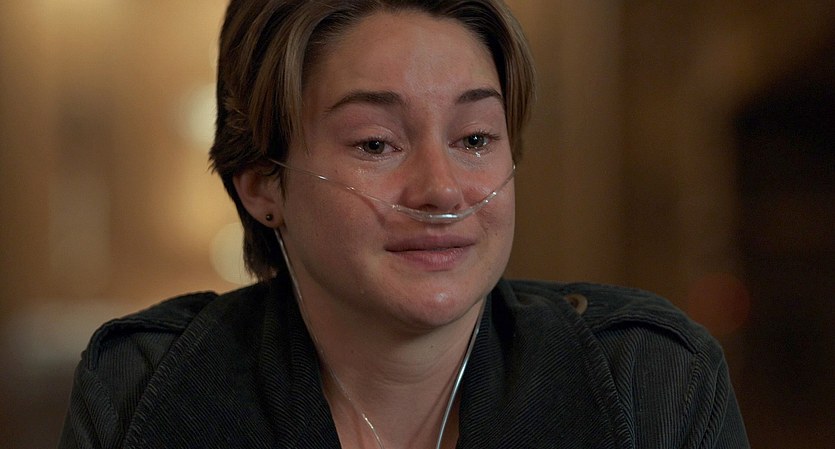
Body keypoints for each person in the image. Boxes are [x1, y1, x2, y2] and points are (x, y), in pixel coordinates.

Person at [59, 0, 750, 448]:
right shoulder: (140, 385)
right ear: (262, 182)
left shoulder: (653, 381)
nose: (441, 189)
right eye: (375, 143)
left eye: (474, 138)